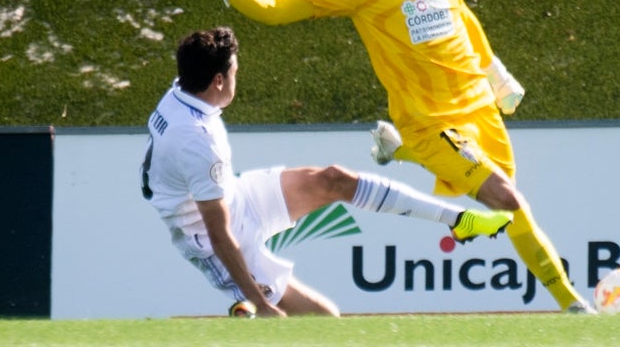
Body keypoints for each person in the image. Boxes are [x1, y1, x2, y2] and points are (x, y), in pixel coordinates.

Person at [172, 0, 593, 313]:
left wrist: (496, 73)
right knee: (509, 200)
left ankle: (398, 151)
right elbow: (278, 9)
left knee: (511, 212)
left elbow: (464, 17)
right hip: (430, 121)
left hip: (479, 108)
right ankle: (573, 306)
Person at [141, 26, 513, 318]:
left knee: (334, 179)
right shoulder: (198, 141)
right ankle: (258, 308)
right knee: (325, 323)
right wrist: (258, 301)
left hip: (233, 196)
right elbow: (220, 234)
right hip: (210, 238)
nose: (238, 77)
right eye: (234, 71)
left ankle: (457, 218)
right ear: (218, 81)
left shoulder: (182, 87)